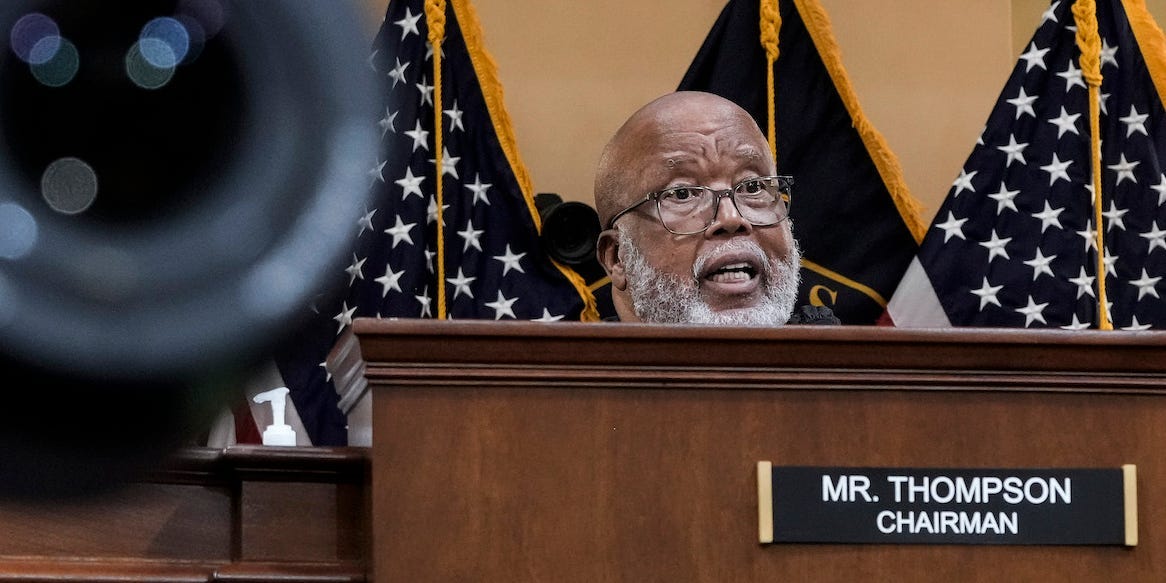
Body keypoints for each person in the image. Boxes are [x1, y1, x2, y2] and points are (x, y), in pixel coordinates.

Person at [594, 91, 836, 325]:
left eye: (752, 187)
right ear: (617, 257)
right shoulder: (578, 355)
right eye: (683, 194)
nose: (731, 219)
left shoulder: (839, 350)